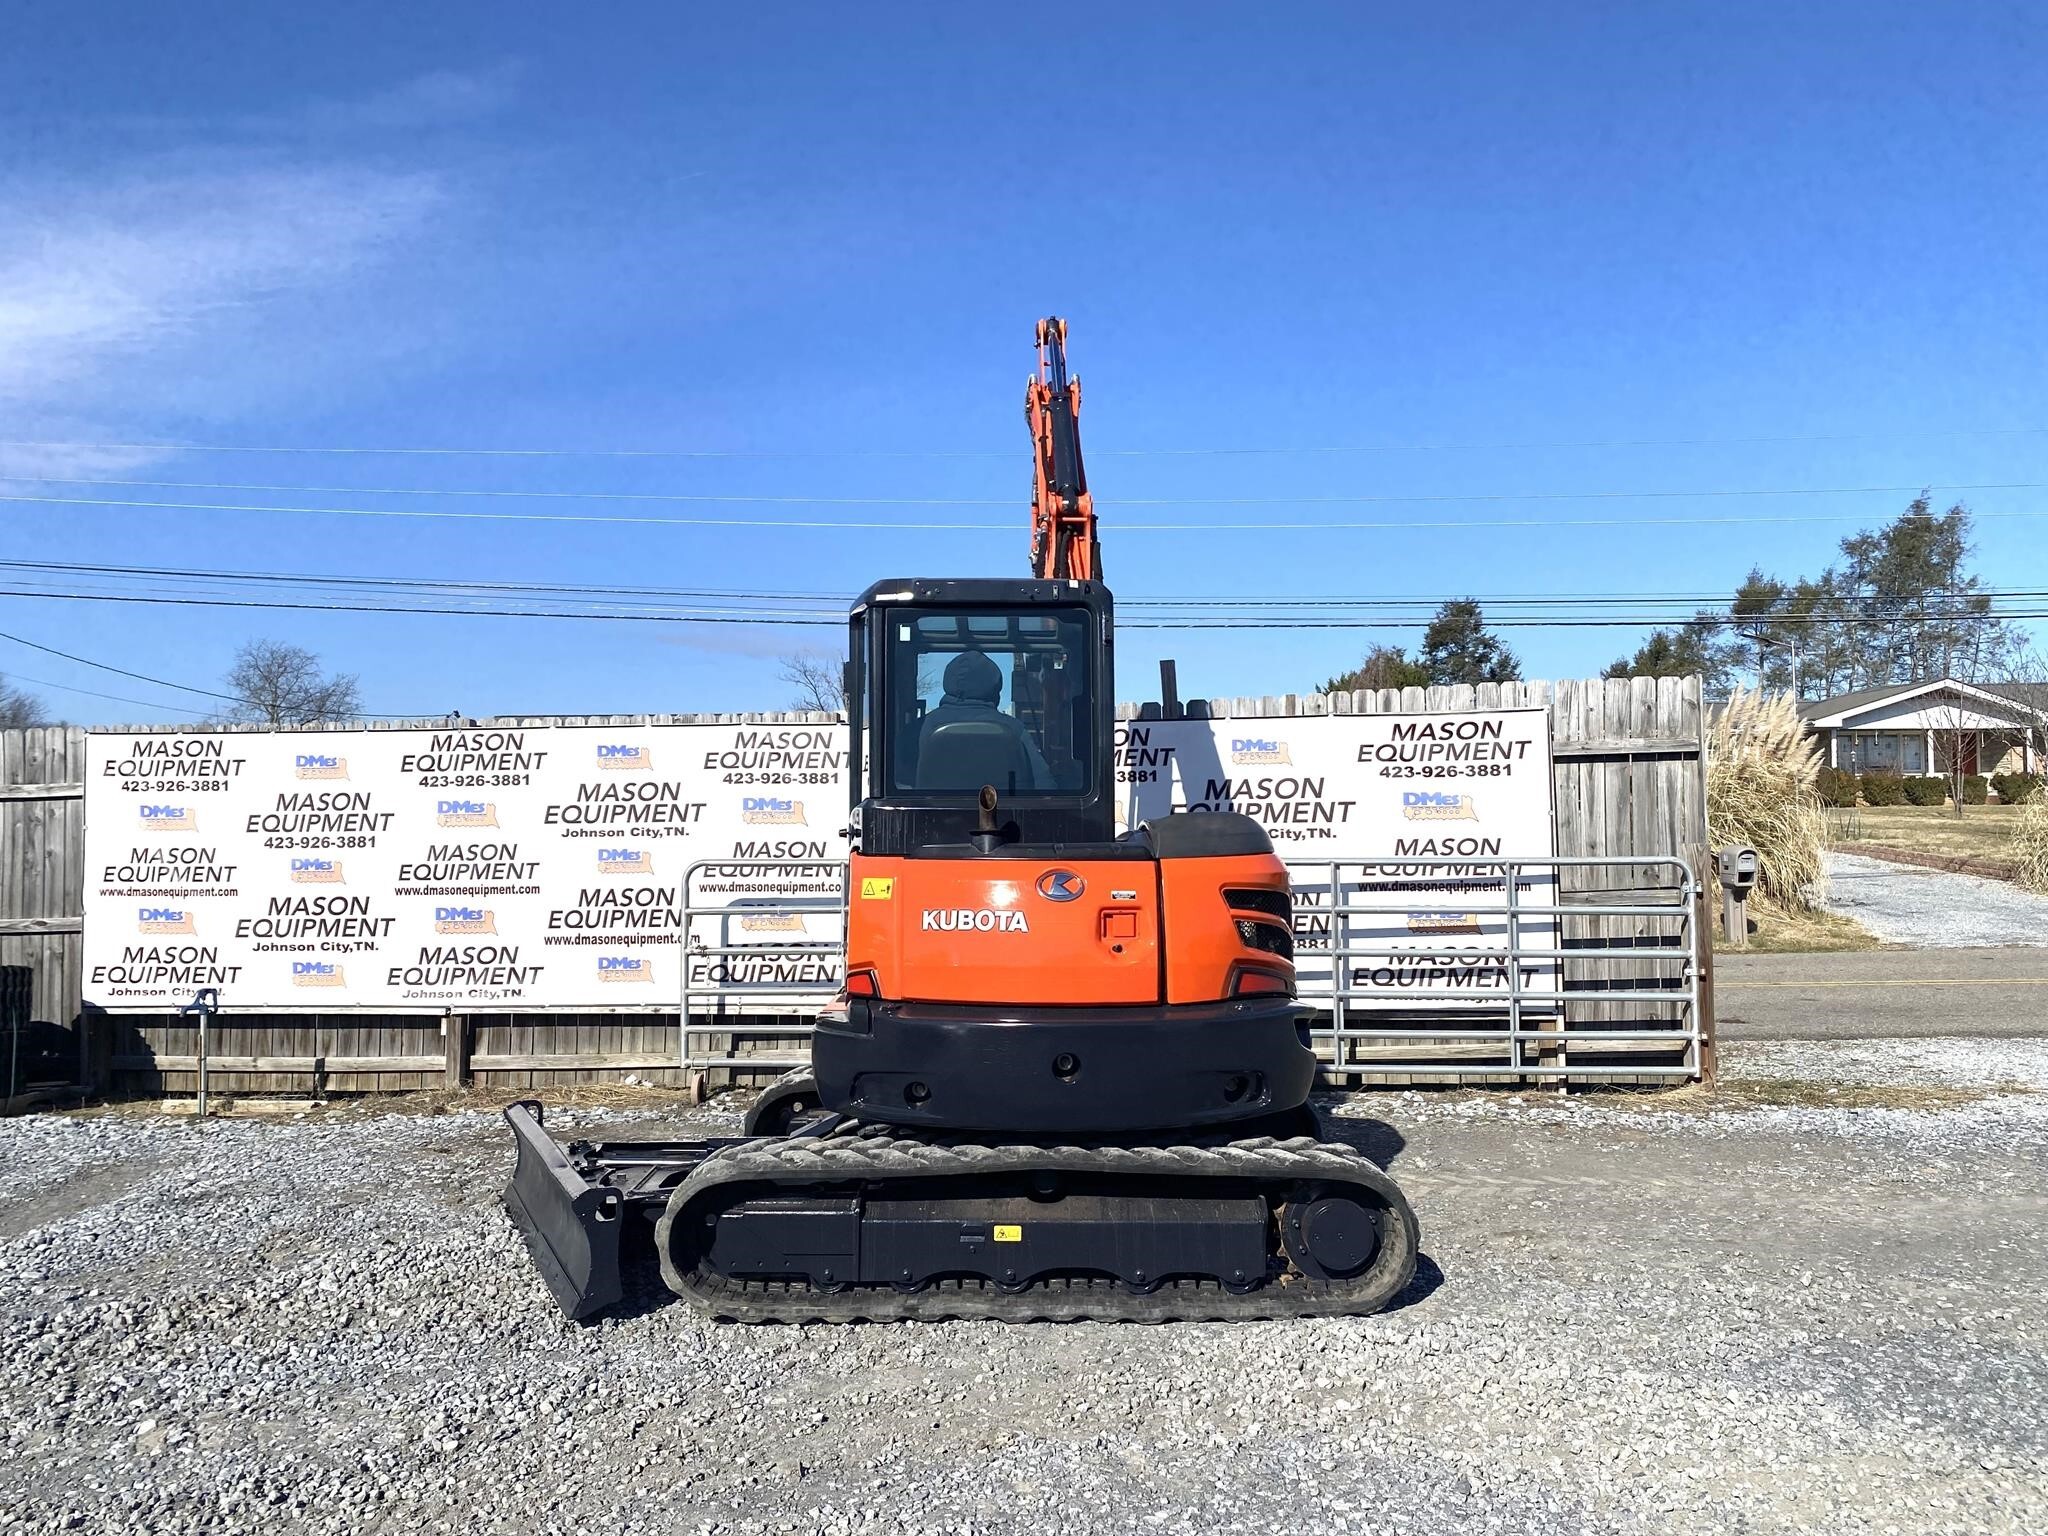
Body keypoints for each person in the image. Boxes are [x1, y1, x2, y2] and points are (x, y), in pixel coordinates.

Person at [916, 650, 1055, 790]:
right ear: (995, 689)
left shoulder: (918, 728)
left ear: (948, 683)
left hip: (932, 812)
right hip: (1003, 811)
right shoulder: (1014, 728)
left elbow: (901, 784)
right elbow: (1045, 786)